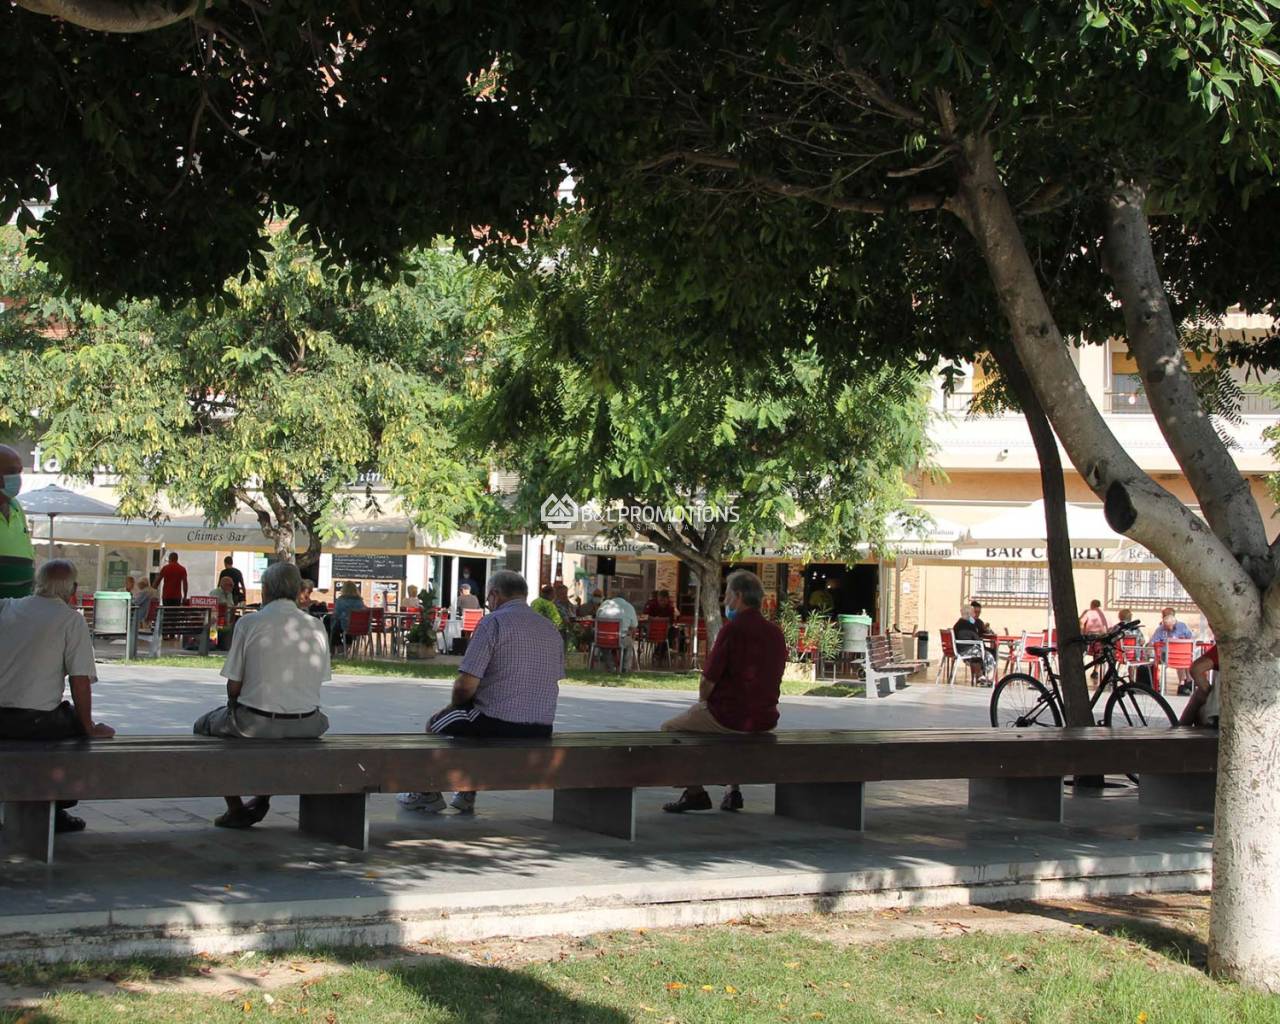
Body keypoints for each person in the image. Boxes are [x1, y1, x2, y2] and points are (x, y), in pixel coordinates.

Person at [398, 569, 562, 814]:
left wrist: (456, 706)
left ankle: (426, 792)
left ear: (494, 595)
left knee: (437, 723)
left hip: (497, 721)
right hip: (541, 727)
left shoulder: (493, 622)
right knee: (466, 722)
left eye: (487, 599)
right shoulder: (550, 628)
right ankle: (466, 792)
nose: (488, 603)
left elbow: (465, 685)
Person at [192, 562, 331, 829]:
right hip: (309, 723)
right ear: (298, 590)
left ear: (266, 590)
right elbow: (321, 678)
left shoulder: (250, 622)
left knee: (204, 726)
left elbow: (233, 685)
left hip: (256, 721)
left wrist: (233, 705)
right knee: (277, 733)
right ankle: (263, 797)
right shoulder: (316, 626)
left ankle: (235, 807)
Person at [0, 560, 116, 834]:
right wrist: (89, 726)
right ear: (73, 589)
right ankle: (56, 806)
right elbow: (79, 681)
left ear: (36, 583)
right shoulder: (71, 620)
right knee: (75, 729)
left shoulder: (6, 607)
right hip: (35, 722)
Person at [661, 570, 786, 814]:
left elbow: (708, 680)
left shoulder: (732, 629)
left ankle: (695, 792)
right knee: (730, 733)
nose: (724, 599)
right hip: (766, 717)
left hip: (729, 716)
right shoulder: (775, 632)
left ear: (738, 596)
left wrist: (702, 703)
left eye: (727, 594)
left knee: (670, 729)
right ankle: (732, 790)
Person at [0, 444, 36, 599]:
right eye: (11, 471)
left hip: (19, 603)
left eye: (19, 472)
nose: (17, 478)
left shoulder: (15, 506)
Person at [1150, 607, 1195, 694]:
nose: (1170, 629)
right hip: (1168, 656)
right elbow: (1152, 642)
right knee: (1182, 658)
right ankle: (1186, 682)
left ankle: (1184, 682)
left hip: (1180, 656)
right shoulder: (1160, 629)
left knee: (1182, 657)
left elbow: (1190, 638)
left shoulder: (1182, 626)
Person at [952, 601, 996, 685]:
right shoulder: (969, 624)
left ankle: (981, 676)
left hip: (961, 649)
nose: (975, 615)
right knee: (988, 654)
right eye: (974, 612)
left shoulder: (959, 623)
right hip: (967, 650)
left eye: (978, 612)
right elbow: (977, 639)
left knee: (982, 652)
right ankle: (987, 678)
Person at [1179, 644, 1221, 728]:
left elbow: (1196, 669)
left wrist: (1207, 691)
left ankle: (1180, 730)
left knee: (1199, 694)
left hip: (1218, 713)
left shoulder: (1229, 646)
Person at [596, 592, 639, 671]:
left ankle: (610, 666)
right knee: (629, 642)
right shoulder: (629, 607)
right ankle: (625, 667)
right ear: (626, 599)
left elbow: (597, 618)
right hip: (619, 639)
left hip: (602, 638)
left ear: (615, 597)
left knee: (605, 644)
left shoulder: (604, 604)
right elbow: (634, 626)